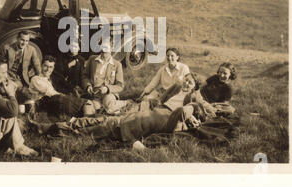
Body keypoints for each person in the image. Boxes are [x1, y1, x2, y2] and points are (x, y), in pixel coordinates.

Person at [76, 73, 216, 143]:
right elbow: (163, 97)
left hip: (165, 116)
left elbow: (204, 108)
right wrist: (154, 101)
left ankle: (83, 129)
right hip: (157, 109)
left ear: (195, 87)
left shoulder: (194, 97)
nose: (186, 84)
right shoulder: (177, 87)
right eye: (186, 80)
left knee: (123, 121)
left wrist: (195, 114)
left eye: (190, 83)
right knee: (120, 117)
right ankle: (85, 122)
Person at [29, 55, 92, 120]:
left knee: (88, 104)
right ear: (41, 66)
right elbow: (51, 94)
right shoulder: (36, 79)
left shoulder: (51, 79)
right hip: (43, 106)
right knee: (87, 103)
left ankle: (86, 121)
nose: (48, 69)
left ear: (53, 68)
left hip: (55, 105)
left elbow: (63, 88)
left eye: (51, 67)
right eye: (45, 66)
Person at [81, 43, 126, 115]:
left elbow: (120, 86)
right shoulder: (92, 59)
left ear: (111, 49)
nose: (104, 53)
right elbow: (84, 76)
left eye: (106, 51)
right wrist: (88, 86)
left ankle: (126, 103)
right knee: (90, 113)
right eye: (102, 50)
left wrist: (107, 88)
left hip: (109, 94)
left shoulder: (117, 64)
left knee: (109, 107)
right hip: (94, 94)